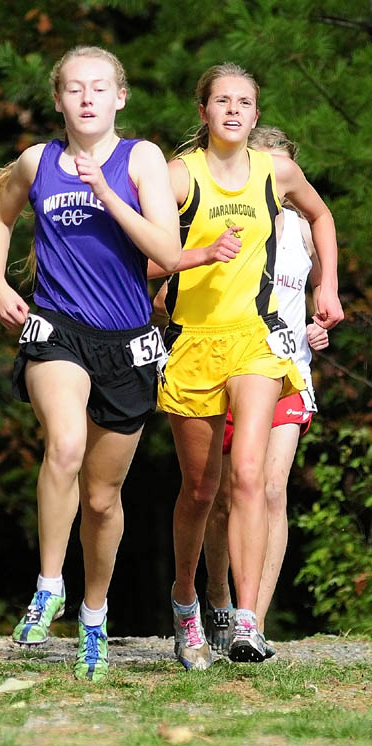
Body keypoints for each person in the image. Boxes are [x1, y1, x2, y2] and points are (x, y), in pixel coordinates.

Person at [0, 45, 181, 681]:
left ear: (120, 97)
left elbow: (168, 254)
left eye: (100, 87)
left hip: (126, 341)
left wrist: (106, 192)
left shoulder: (141, 158)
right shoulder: (37, 160)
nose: (88, 97)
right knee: (63, 446)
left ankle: (94, 614)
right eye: (75, 88)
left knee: (102, 498)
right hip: (56, 329)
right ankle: (48, 585)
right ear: (60, 99)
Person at [154, 63, 343, 668]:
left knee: (254, 478)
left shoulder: (277, 171)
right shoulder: (178, 176)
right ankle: (187, 601)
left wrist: (328, 286)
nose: (234, 111)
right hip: (193, 342)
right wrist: (198, 256)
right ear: (203, 110)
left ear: (256, 114)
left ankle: (247, 620)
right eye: (222, 101)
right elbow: (146, 260)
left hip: (259, 341)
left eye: (245, 102)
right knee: (200, 489)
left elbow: (321, 216)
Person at [202, 126, 329, 657]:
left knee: (271, 490)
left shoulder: (301, 229)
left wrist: (321, 322)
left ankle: (251, 624)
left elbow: (317, 295)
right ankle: (217, 596)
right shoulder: (228, 220)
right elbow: (170, 291)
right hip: (226, 368)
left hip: (287, 373)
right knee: (224, 499)